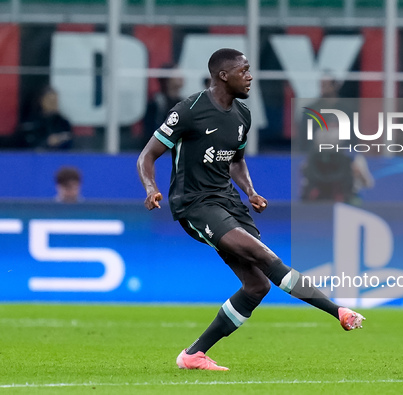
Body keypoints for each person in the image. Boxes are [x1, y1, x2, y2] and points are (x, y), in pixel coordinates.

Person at [137, 48, 365, 371]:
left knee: (257, 285)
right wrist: (151, 187)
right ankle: (337, 311)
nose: (250, 76)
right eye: (243, 70)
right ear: (223, 76)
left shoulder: (242, 115)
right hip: (195, 205)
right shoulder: (189, 111)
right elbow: (146, 155)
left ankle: (193, 355)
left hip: (228, 202)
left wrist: (251, 191)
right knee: (266, 257)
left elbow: (237, 161)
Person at [142, 63, 185, 148]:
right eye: (176, 74)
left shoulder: (184, 102)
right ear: (167, 79)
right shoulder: (156, 103)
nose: (181, 77)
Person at [18, 86, 73, 150]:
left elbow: (69, 144)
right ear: (42, 100)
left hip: (57, 158)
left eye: (55, 101)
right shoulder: (30, 122)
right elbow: (23, 143)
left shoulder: (63, 123)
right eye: (50, 100)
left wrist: (59, 140)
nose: (53, 104)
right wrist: (46, 142)